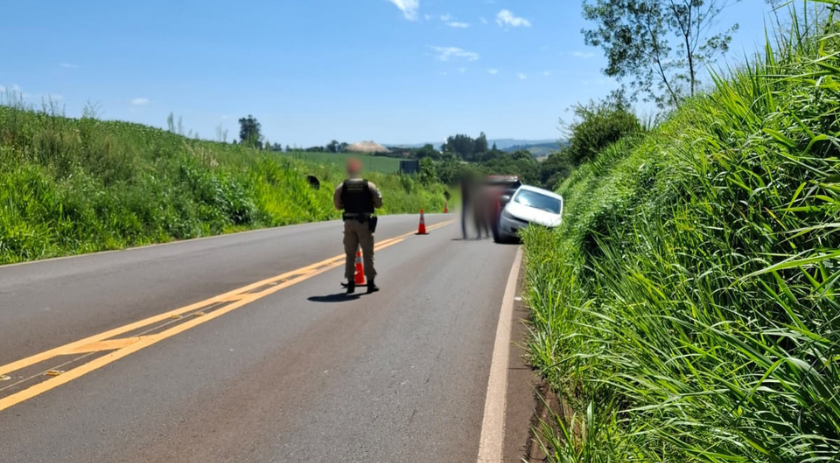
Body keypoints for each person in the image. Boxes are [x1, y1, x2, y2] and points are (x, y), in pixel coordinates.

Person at [334, 158, 383, 294]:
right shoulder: (369, 186)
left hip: (349, 223)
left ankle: (350, 284)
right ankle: (370, 284)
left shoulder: (342, 187)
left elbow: (337, 206)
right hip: (364, 223)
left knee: (350, 254)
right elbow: (379, 204)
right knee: (367, 253)